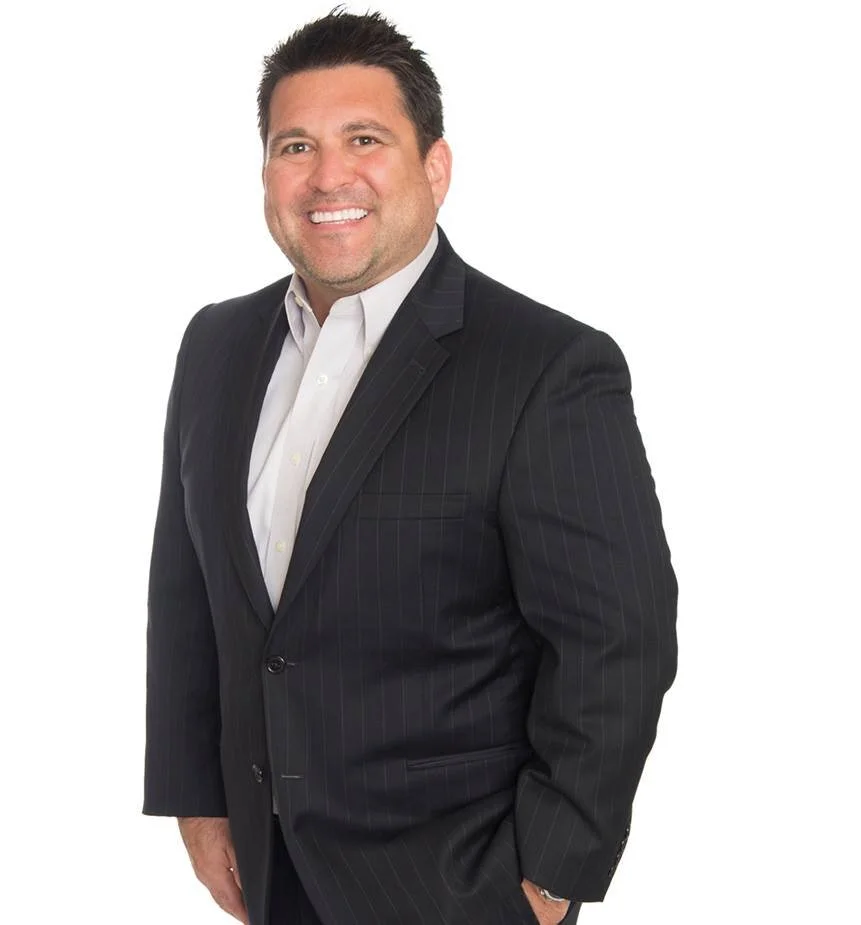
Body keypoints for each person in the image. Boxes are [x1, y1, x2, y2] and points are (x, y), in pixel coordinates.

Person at [143, 9, 677, 925]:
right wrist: (196, 797)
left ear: (434, 167)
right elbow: (187, 586)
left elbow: (617, 642)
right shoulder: (215, 344)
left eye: (365, 139)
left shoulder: (544, 366)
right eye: (295, 146)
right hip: (266, 867)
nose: (328, 177)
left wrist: (550, 875)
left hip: (458, 880)